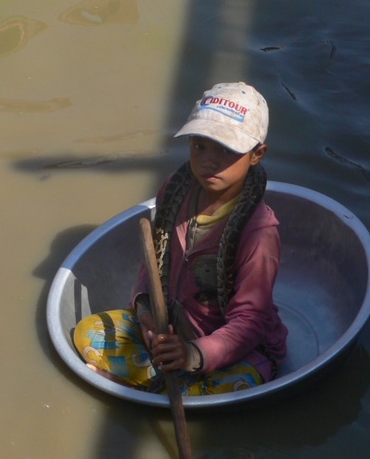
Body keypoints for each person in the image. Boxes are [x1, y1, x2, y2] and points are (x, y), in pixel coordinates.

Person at [72, 82, 288, 395]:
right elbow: (153, 262)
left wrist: (193, 355)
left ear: (257, 155)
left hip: (237, 350)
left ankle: (152, 385)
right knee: (87, 333)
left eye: (226, 150)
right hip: (170, 329)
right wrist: (147, 316)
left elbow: (250, 323)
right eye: (199, 145)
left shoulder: (259, 233)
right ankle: (163, 383)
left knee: (235, 382)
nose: (208, 161)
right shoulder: (176, 188)